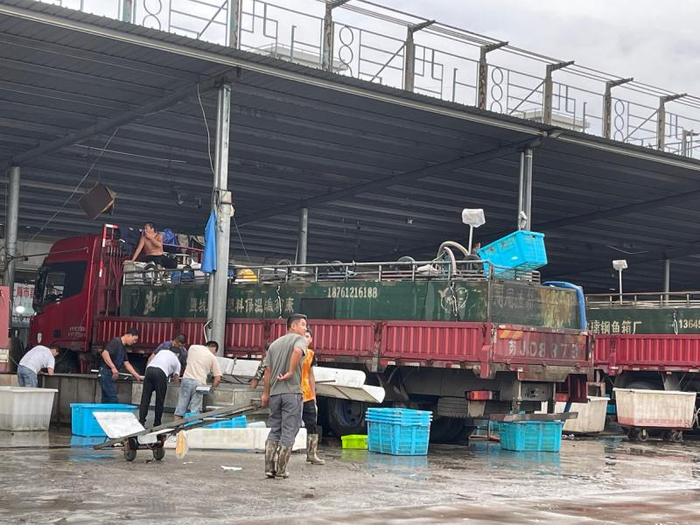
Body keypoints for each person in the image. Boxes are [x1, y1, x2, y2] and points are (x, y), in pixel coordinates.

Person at [262, 313, 308, 479]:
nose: (305, 328)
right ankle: (281, 470)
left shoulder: (274, 344)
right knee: (289, 431)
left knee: (275, 430)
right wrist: (290, 371)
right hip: (291, 393)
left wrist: (266, 393)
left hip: (275, 394)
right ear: (293, 326)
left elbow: (267, 371)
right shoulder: (299, 340)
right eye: (303, 324)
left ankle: (269, 467)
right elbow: (297, 351)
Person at [173, 341, 222, 420]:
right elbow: (218, 378)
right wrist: (212, 388)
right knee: (194, 412)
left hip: (186, 380)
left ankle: (175, 427)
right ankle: (192, 427)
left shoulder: (193, 348)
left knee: (179, 410)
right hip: (199, 384)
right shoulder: (213, 357)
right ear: (215, 350)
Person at [139, 346, 181, 428]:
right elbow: (176, 377)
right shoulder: (176, 360)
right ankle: (157, 424)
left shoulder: (161, 351)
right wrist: (177, 387)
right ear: (178, 354)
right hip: (160, 373)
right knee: (160, 400)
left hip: (149, 370)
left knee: (145, 398)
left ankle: (141, 421)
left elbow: (151, 358)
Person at [301, 328, 324, 465]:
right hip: (293, 392)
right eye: (303, 335)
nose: (305, 338)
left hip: (307, 393)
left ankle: (312, 453)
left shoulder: (310, 354)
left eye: (307, 336)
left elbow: (311, 375)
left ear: (311, 339)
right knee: (290, 424)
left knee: (312, 423)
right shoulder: (294, 351)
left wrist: (314, 395)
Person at [99, 328, 142, 403]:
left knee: (106, 398)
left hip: (110, 374)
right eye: (134, 339)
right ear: (129, 335)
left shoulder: (123, 348)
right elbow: (105, 353)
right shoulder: (116, 342)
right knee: (112, 398)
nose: (134, 342)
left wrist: (136, 375)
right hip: (106, 372)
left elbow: (126, 363)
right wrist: (113, 367)